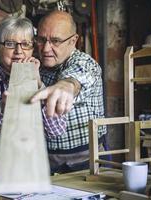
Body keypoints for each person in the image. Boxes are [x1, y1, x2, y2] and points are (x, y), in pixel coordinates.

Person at [0, 17, 66, 190]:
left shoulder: (37, 82)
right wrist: (3, 106)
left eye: (26, 44)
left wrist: (39, 85)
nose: (19, 51)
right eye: (10, 44)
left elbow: (56, 130)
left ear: (32, 49)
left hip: (28, 172)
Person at [31, 10, 107, 173]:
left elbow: (76, 77)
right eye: (41, 39)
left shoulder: (86, 63)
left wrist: (66, 86)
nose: (45, 48)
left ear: (73, 41)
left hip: (85, 163)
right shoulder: (36, 64)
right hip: (42, 162)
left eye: (55, 41)